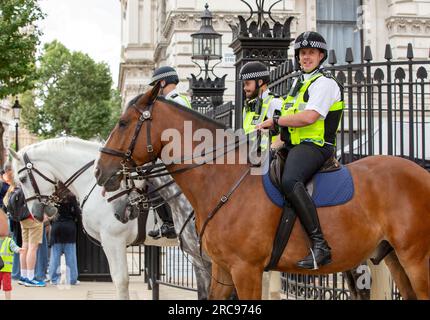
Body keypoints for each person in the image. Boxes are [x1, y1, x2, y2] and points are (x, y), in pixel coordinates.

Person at [256, 31, 344, 270]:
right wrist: (278, 138)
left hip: (317, 147)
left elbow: (309, 117)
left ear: (320, 56)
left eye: (311, 53)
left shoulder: (325, 84)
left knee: (290, 180)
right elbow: (288, 115)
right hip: (294, 145)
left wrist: (275, 123)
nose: (306, 57)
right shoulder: (298, 83)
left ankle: (320, 245)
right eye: (303, 53)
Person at [147, 66, 192, 239]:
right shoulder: (178, 100)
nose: (154, 90)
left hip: (180, 156)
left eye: (155, 85)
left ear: (163, 82)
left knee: (153, 184)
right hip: (179, 153)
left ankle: (169, 223)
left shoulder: (173, 101)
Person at [239, 61, 283, 150]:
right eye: (244, 84)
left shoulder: (274, 102)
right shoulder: (248, 107)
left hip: (269, 157)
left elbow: (285, 133)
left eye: (247, 84)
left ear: (259, 82)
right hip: (250, 156)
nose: (244, 88)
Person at [48, 191, 79, 285]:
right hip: (69, 227)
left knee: (54, 257)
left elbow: (50, 214)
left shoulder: (53, 197)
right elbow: (77, 212)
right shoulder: (71, 197)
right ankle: (72, 279)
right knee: (71, 257)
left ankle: (54, 279)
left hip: (56, 227)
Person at [0, 234, 23, 299]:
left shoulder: (9, 241)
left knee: (7, 287)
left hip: (6, 270)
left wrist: (18, 249)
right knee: (7, 287)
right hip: (5, 269)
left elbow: (14, 247)